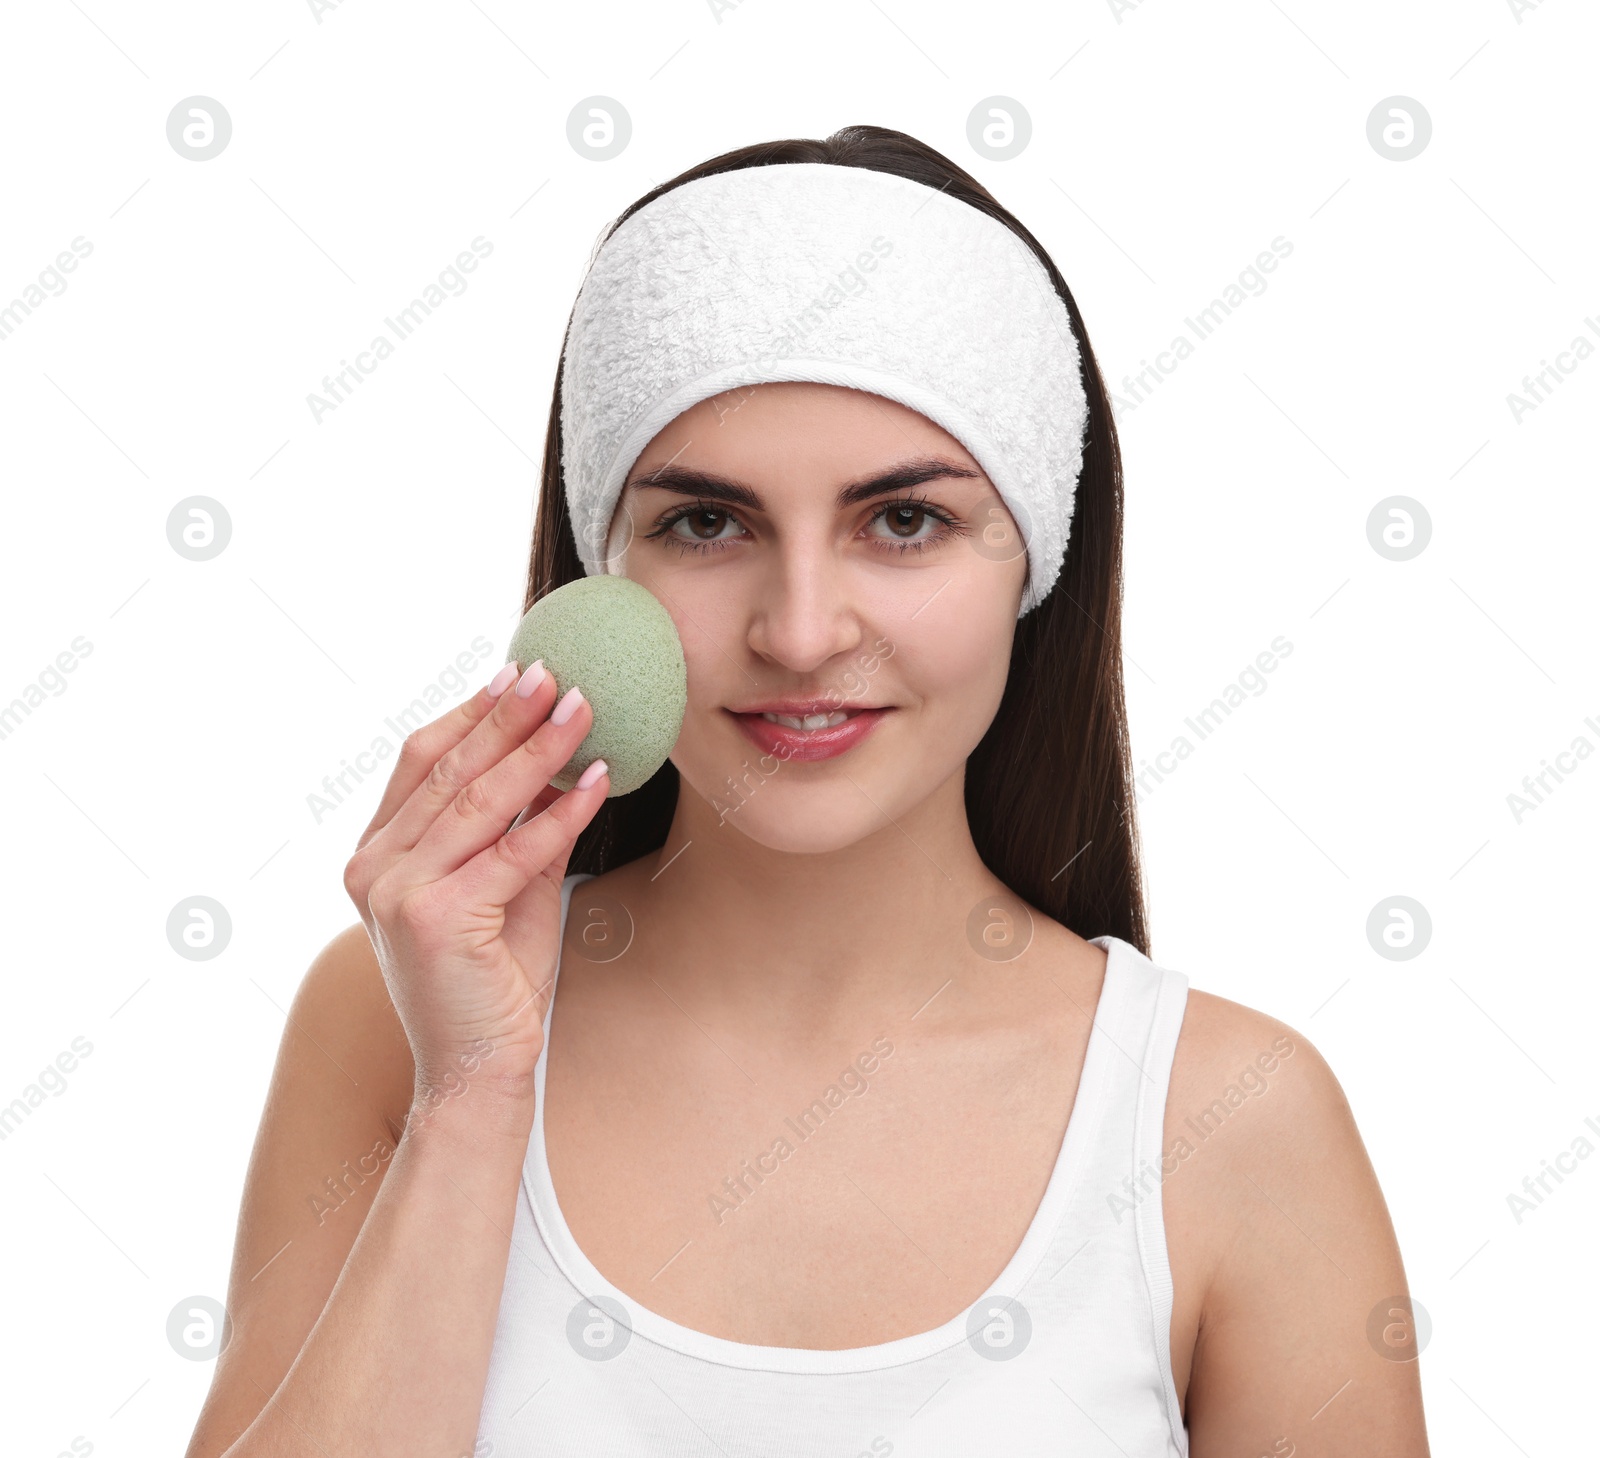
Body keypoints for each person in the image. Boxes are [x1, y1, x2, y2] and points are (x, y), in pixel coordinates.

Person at [185, 126, 1431, 1458]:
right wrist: (476, 1091)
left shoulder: (1233, 1120)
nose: (798, 629)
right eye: (706, 523)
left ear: (1035, 561)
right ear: (599, 576)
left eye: (905, 521)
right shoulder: (397, 1022)